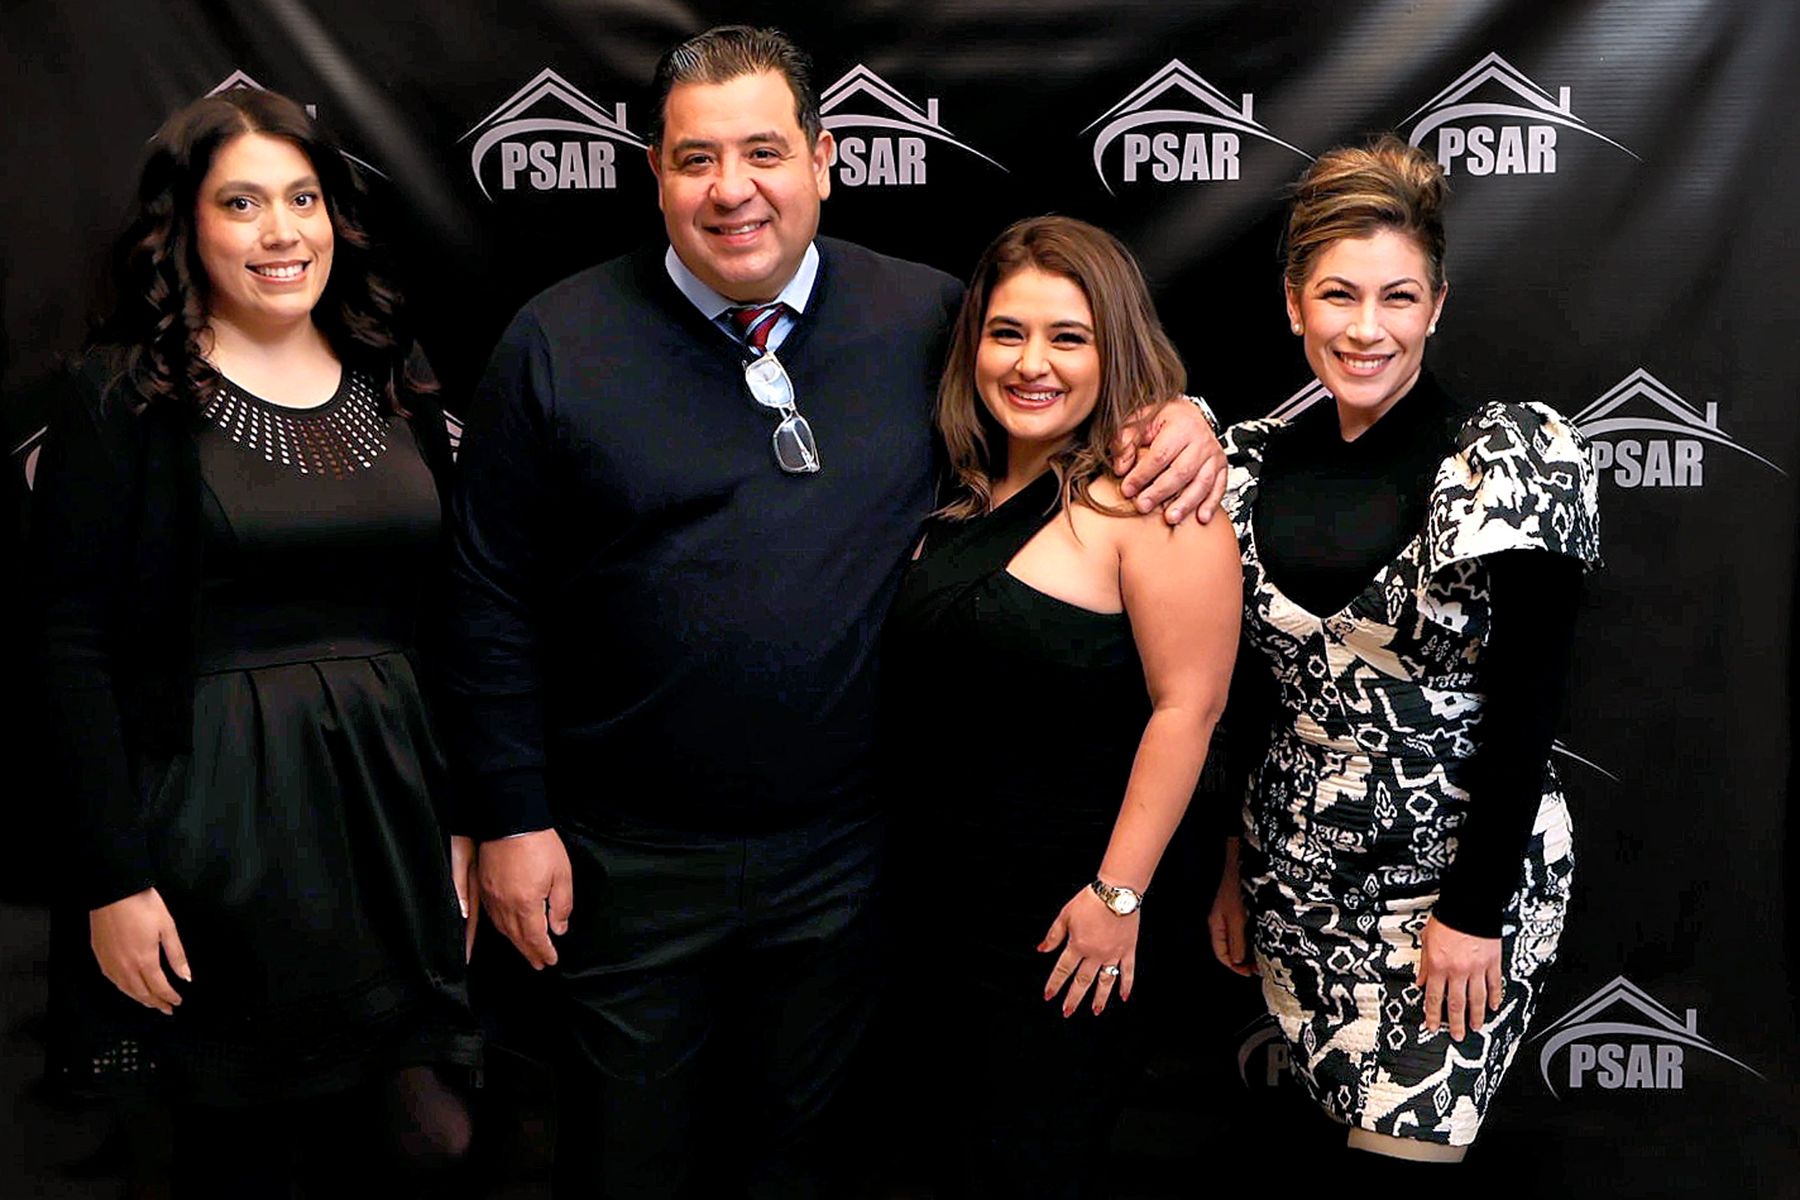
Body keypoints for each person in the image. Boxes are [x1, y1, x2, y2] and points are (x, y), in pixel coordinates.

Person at [439, 24, 1228, 1199]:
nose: (733, 189)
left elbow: (1067, 377)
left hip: (854, 869)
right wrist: (509, 816)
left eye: (764, 152)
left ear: (823, 159)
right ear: (654, 173)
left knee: (817, 1168)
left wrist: (1182, 416)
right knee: (625, 1165)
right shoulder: (556, 341)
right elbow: (488, 596)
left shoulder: (929, 320)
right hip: (629, 863)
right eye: (697, 158)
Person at [31, 89, 480, 1196]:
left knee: (427, 1142)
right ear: (184, 225)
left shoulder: (393, 369)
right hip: (207, 846)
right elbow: (70, 648)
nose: (282, 232)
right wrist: (113, 882)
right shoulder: (121, 395)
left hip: (388, 827)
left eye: (303, 198)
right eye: (241, 203)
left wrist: (468, 816)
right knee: (235, 1155)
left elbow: (453, 616)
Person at [1207, 136, 1601, 1174]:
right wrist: (1233, 863)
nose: (1366, 328)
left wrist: (1473, 914)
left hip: (1460, 884)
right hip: (1297, 875)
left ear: (1436, 306)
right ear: (1294, 304)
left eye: (1398, 297)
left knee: (1401, 1161)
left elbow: (1532, 700)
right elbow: (1246, 695)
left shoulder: (1511, 455)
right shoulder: (1244, 465)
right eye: (1338, 295)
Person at [882, 216, 1239, 1198]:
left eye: (1068, 338)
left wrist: (1117, 897)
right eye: (1008, 333)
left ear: (1113, 348)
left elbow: (1190, 708)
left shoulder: (1153, 503)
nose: (1031, 363)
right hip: (937, 915)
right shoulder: (959, 496)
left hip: (1069, 928)